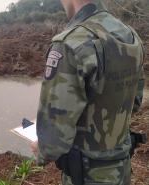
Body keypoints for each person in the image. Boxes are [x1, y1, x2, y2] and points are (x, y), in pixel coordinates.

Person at [31, 0, 145, 184]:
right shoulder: (130, 36)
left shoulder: (69, 44)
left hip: (86, 176)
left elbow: (54, 138)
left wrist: (41, 149)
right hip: (121, 170)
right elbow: (135, 102)